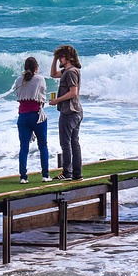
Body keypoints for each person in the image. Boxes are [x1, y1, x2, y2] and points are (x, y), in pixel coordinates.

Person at [12, 56, 51, 184]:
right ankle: (45, 175)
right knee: (43, 146)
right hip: (37, 116)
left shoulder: (19, 80)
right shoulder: (40, 79)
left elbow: (18, 96)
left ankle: (23, 177)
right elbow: (42, 97)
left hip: (23, 116)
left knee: (24, 147)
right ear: (36, 67)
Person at [48, 44, 83, 180]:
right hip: (75, 111)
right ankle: (76, 173)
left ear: (69, 57)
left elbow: (73, 92)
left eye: (62, 56)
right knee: (74, 142)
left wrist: (57, 100)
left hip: (69, 112)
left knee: (66, 143)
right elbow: (52, 74)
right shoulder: (68, 71)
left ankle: (67, 173)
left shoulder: (71, 72)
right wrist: (55, 60)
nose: (60, 59)